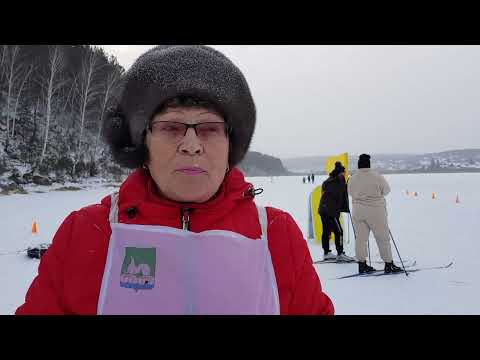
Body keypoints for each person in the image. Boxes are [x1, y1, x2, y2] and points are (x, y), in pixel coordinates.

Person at [16, 45, 333, 315]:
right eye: (171, 127)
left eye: (209, 128)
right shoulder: (84, 233)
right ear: (142, 142)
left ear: (230, 143)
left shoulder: (278, 237)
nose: (192, 144)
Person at [347, 154, 402, 274]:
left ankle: (362, 264)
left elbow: (350, 192)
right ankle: (388, 264)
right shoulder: (377, 176)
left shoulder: (352, 178)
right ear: (369, 164)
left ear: (359, 165)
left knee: (360, 239)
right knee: (382, 238)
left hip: (358, 211)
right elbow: (386, 190)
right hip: (375, 211)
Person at [318, 162, 353, 262]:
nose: (344, 175)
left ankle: (326, 253)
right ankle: (340, 253)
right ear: (340, 173)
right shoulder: (338, 180)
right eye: (343, 173)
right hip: (330, 211)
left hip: (323, 209)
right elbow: (343, 192)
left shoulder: (328, 181)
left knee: (326, 231)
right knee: (339, 231)